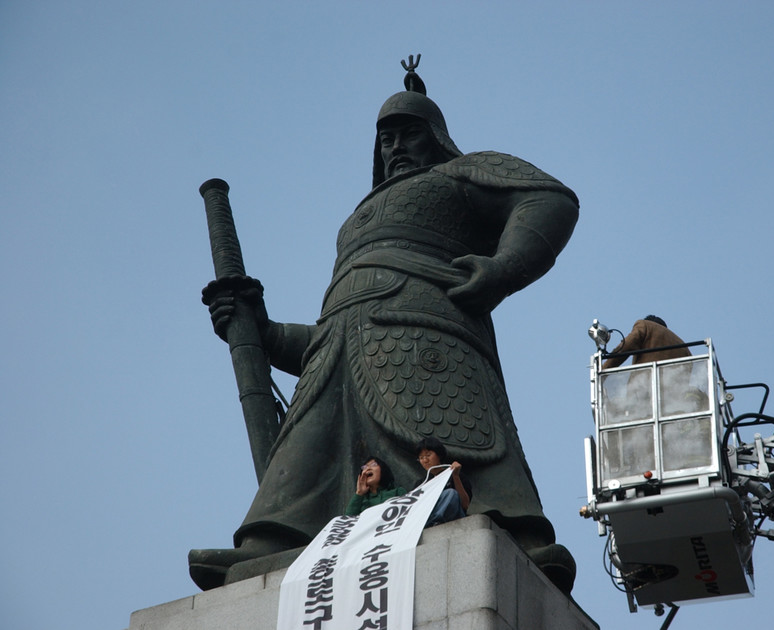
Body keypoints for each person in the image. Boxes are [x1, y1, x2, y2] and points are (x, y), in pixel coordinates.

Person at [188, 59, 579, 594]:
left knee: (453, 439)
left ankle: (518, 537)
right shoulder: (356, 221)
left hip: (428, 331)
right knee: (306, 450)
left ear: (437, 138)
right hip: (336, 350)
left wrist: (504, 267)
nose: (395, 146)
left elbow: (549, 199)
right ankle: (272, 539)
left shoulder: (459, 175)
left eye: (408, 133)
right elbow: (328, 330)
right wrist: (264, 330)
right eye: (385, 138)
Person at [415, 437, 471, 526]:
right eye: (421, 458)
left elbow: (465, 505)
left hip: (454, 518)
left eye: (428, 455)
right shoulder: (420, 484)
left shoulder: (456, 475)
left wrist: (455, 476)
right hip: (427, 518)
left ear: (439, 455)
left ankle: (433, 521)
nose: (425, 460)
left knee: (451, 494)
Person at [602, 315, 691, 369]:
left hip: (644, 387)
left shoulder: (645, 325)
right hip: (674, 393)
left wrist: (603, 370)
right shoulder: (684, 348)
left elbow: (626, 346)